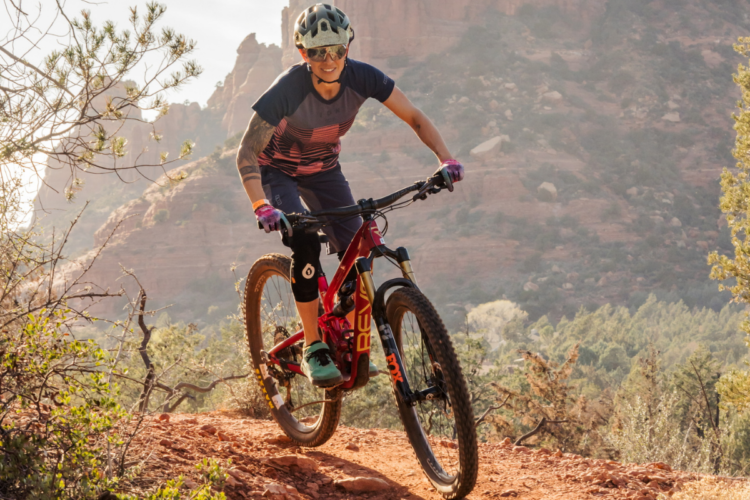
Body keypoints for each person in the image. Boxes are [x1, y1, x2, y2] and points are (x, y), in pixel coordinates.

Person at [236, 3, 464, 388]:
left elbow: (415, 117)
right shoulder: (288, 89)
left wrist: (446, 159)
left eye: (337, 50)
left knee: (360, 250)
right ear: (302, 53)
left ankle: (343, 334)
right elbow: (245, 154)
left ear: (348, 46)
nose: (329, 60)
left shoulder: (363, 78)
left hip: (325, 171)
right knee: (305, 243)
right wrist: (261, 204)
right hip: (278, 172)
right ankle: (313, 347)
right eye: (317, 52)